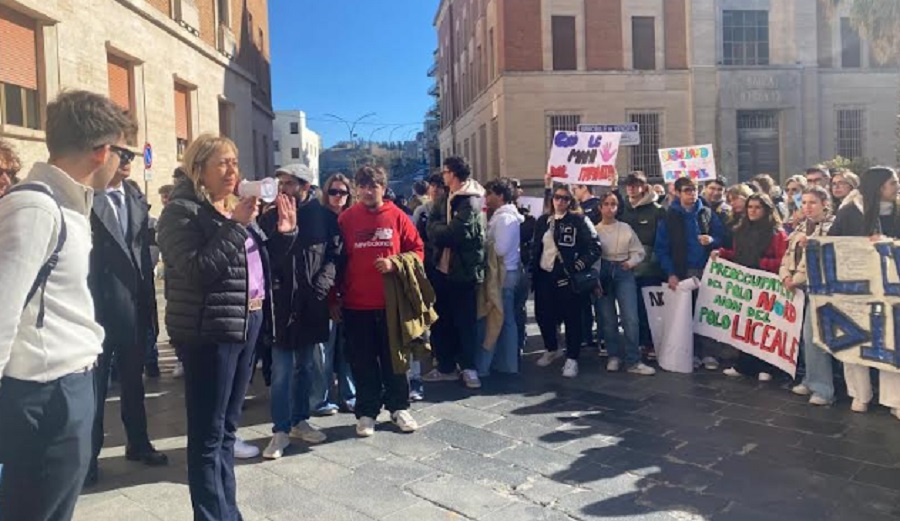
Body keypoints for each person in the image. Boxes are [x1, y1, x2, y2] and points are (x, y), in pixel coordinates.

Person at [0, 90, 136, 521]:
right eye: (123, 151)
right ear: (102, 151)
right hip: (45, 394)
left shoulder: (67, 205)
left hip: (67, 386)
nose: (124, 162)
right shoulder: (35, 207)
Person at [157, 134, 296, 520]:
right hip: (209, 333)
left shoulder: (230, 210)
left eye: (235, 161)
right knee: (207, 436)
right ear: (198, 168)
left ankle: (227, 512)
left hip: (246, 322)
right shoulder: (181, 213)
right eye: (222, 162)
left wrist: (285, 235)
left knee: (226, 432)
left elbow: (255, 267)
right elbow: (199, 271)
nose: (233, 169)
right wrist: (236, 226)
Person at [86, 144, 166, 487]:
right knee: (96, 388)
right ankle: (88, 458)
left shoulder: (134, 196)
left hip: (134, 305)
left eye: (132, 154)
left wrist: (143, 272)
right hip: (98, 308)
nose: (129, 160)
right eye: (122, 153)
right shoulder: (88, 197)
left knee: (134, 383)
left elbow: (148, 242)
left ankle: (138, 442)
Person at [258, 163, 338, 459]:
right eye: (280, 183)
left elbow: (334, 254)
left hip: (311, 303)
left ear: (305, 186)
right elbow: (264, 259)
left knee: (305, 367)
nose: (282, 189)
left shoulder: (323, 217)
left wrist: (323, 286)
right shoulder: (267, 219)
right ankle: (280, 429)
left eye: (289, 183)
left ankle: (300, 420)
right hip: (280, 306)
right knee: (281, 371)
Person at [338, 165, 423, 437]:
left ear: (383, 188)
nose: (366, 191)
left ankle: (399, 407)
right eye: (361, 186)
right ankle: (366, 412)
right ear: (356, 189)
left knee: (395, 360)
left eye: (372, 186)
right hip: (355, 305)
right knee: (362, 362)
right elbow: (336, 259)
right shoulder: (346, 219)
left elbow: (418, 250)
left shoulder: (398, 216)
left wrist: (395, 263)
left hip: (391, 306)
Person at [829, 166, 900, 417]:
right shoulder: (849, 212)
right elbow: (831, 244)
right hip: (855, 289)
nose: (897, 186)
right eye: (893, 183)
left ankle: (894, 399)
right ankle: (860, 394)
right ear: (879, 186)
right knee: (855, 340)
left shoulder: (898, 212)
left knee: (891, 341)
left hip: (890, 290)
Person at [423, 157, 486, 389]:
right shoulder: (444, 199)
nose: (443, 176)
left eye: (446, 172)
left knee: (465, 322)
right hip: (442, 269)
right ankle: (446, 366)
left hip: (463, 272)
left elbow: (456, 233)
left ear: (455, 174)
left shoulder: (470, 199)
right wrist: (440, 230)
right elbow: (431, 226)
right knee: (441, 321)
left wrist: (439, 230)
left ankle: (468, 368)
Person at [714, 194, 788, 381]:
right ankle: (745, 365)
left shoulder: (777, 233)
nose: (753, 211)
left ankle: (767, 367)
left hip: (767, 286)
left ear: (767, 210)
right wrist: (723, 254)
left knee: (765, 326)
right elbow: (739, 254)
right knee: (747, 326)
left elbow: (783, 260)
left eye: (758, 207)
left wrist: (763, 263)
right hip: (746, 285)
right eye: (750, 207)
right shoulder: (741, 230)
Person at [654, 176, 725, 370]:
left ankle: (708, 352)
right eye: (687, 190)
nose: (691, 194)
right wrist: (671, 273)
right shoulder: (669, 216)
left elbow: (722, 237)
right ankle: (691, 352)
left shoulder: (707, 213)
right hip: (682, 270)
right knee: (687, 314)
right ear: (677, 193)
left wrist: (711, 240)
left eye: (694, 190)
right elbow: (662, 248)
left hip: (706, 270)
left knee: (707, 312)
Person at [532, 184, 601, 378]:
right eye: (557, 197)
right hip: (544, 275)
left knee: (572, 318)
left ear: (571, 201)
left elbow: (594, 247)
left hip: (567, 276)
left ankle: (572, 357)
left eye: (564, 198)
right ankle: (552, 348)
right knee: (543, 315)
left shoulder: (579, 220)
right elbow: (536, 247)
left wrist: (577, 265)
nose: (560, 201)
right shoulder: (543, 221)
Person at [780, 185, 836, 405]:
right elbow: (787, 255)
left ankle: (823, 388)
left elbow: (822, 258)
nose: (807, 207)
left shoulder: (832, 227)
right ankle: (810, 378)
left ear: (824, 204)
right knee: (803, 338)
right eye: (803, 203)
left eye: (812, 202)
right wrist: (785, 275)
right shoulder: (801, 226)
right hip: (799, 290)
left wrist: (796, 279)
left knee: (815, 338)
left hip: (820, 289)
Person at [309, 173, 357, 416]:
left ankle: (349, 396)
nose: (338, 196)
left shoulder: (352, 220)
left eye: (343, 192)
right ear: (326, 193)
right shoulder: (319, 219)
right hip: (325, 293)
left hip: (351, 293)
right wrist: (330, 298)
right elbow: (322, 262)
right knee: (322, 352)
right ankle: (319, 399)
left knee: (348, 350)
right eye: (333, 192)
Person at [596, 192, 656, 376]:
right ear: (600, 207)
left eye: (613, 204)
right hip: (603, 271)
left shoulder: (625, 228)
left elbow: (639, 251)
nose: (609, 208)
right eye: (606, 204)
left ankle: (633, 359)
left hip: (623, 270)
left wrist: (630, 263)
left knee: (630, 317)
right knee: (607, 317)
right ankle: (613, 355)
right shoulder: (594, 229)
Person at [476, 178, 523, 376]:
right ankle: (507, 363)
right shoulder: (505, 217)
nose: (487, 197)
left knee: (501, 317)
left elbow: (501, 248)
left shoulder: (504, 219)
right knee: (505, 318)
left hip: (504, 273)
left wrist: (487, 243)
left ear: (500, 196)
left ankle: (508, 363)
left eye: (490, 194)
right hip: (507, 272)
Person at [621, 171, 667, 356]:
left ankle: (651, 343)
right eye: (629, 184)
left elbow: (662, 241)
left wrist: (650, 262)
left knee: (649, 309)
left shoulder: (657, 210)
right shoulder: (622, 209)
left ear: (644, 186)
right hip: (626, 267)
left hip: (649, 269)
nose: (632, 187)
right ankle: (637, 342)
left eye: (636, 184)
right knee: (631, 310)